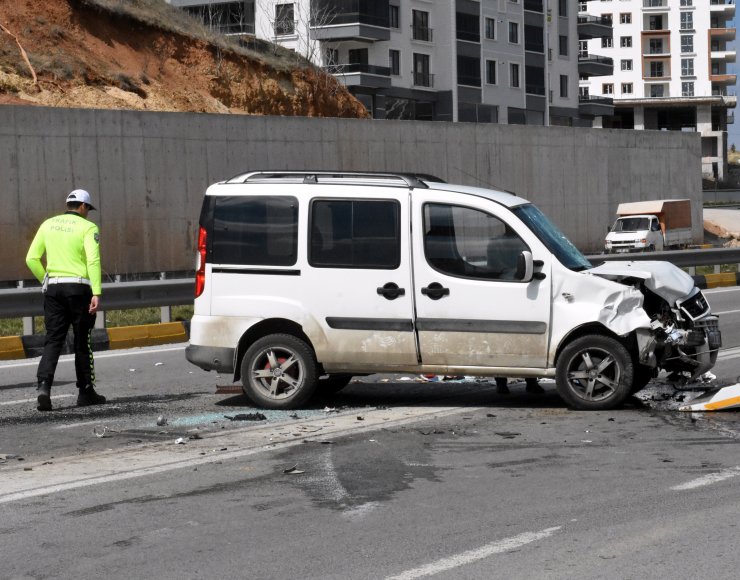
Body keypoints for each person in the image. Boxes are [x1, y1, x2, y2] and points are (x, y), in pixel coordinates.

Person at [26, 189, 107, 411]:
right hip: (79, 289)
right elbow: (93, 261)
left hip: (53, 288)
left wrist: (45, 279)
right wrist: (97, 292)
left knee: (53, 340)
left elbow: (31, 258)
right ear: (83, 207)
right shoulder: (88, 228)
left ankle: (44, 387)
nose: (88, 213)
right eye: (88, 209)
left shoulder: (48, 224)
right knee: (82, 340)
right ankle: (86, 391)